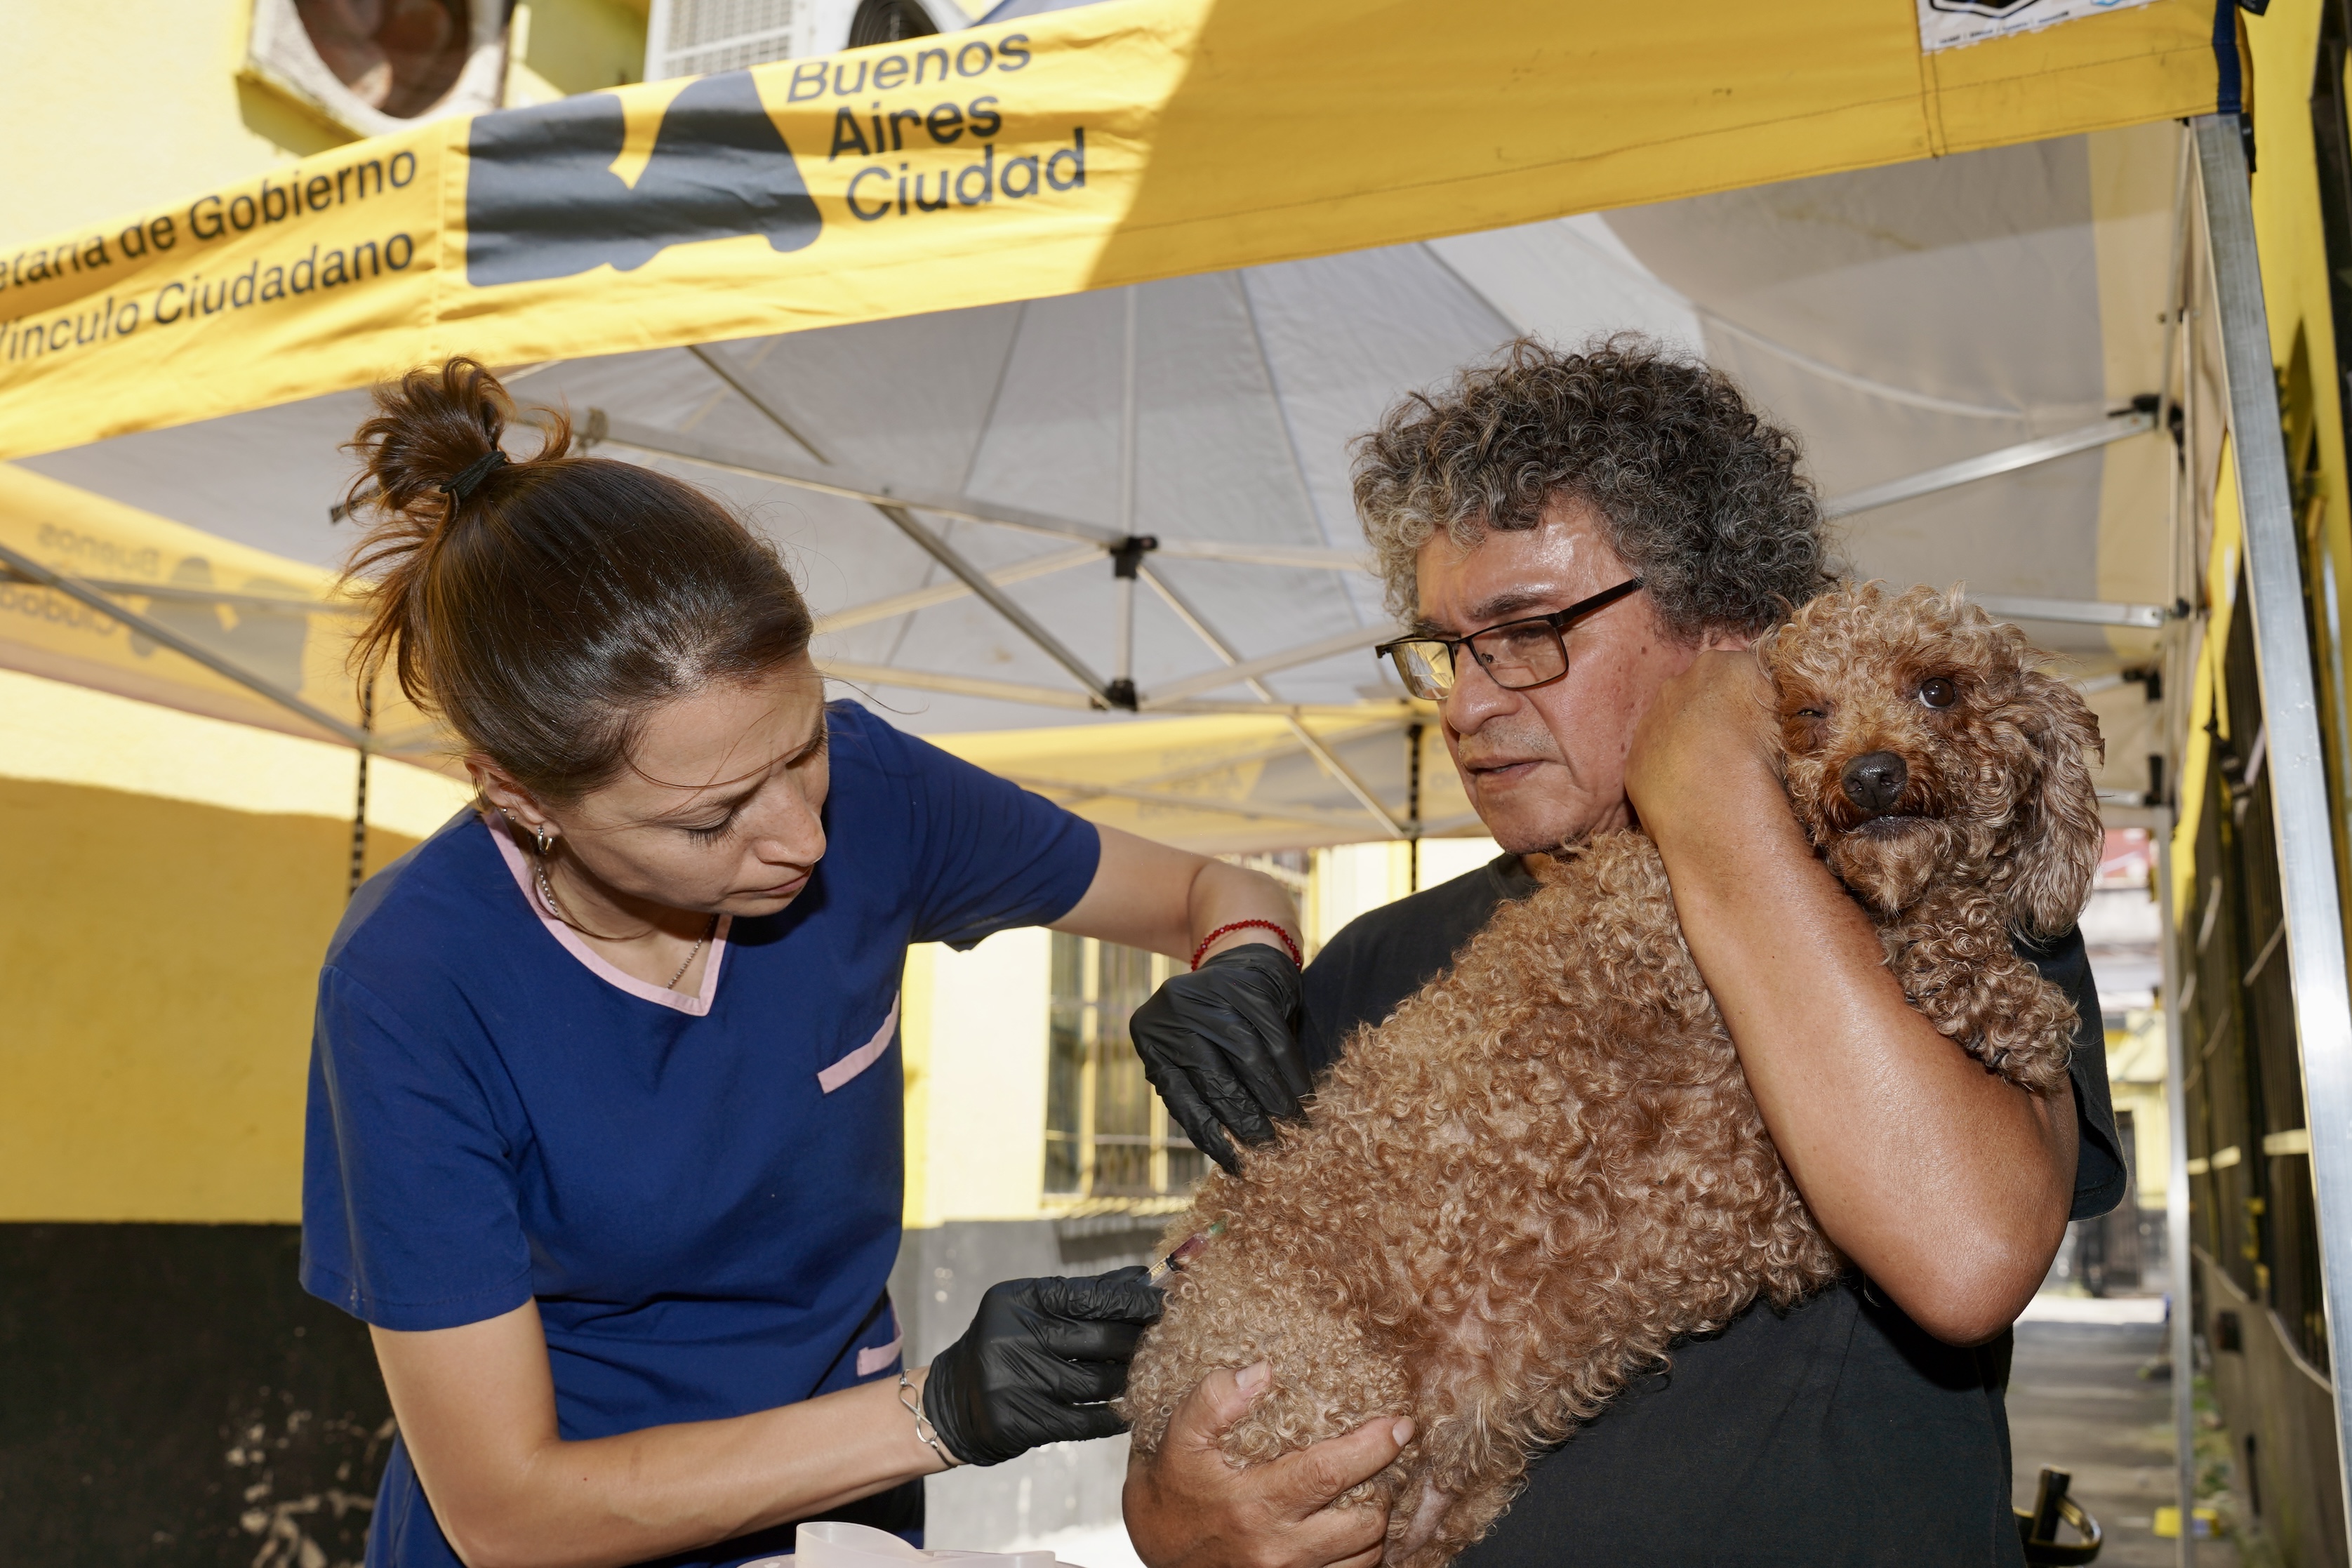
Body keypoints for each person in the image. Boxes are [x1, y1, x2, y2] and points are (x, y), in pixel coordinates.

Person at [1121, 339, 2123, 1568]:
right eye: (1446, 649)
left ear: (1729, 629)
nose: (1466, 704)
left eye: (1529, 632)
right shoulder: (1376, 964)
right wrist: (1173, 1520)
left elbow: (1968, 1250)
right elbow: (1208, 1416)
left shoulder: (1929, 880)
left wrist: (1712, 779)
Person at [300, 359, 1308, 1568]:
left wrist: (1243, 962)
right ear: (520, 798)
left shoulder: (871, 791)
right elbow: (508, 1510)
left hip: (843, 1525)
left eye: (802, 745)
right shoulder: (414, 987)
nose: (803, 837)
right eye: (709, 819)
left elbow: (1220, 888)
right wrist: (937, 1411)